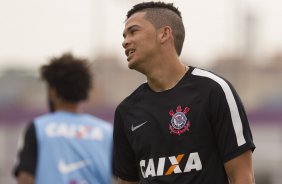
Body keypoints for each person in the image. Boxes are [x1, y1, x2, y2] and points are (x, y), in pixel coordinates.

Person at [113, 1, 256, 184]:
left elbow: (243, 178)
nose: (125, 41)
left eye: (133, 31)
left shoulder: (214, 91)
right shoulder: (126, 111)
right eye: (124, 35)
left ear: (164, 34)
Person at [13, 53, 113, 184]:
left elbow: (25, 178)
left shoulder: (38, 128)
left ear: (52, 92)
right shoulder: (107, 132)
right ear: (84, 90)